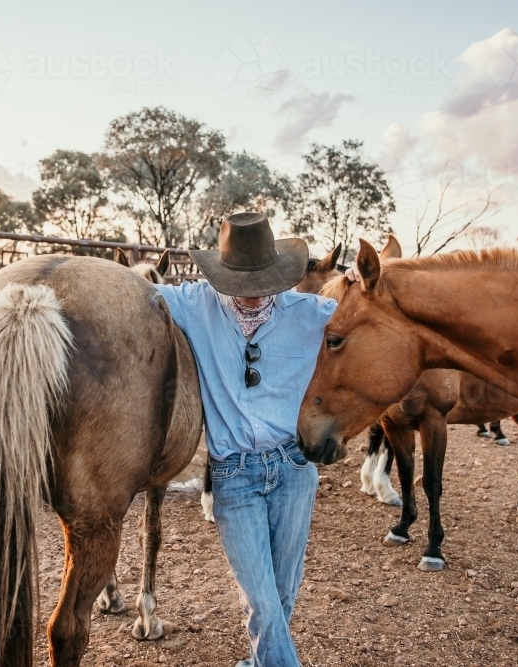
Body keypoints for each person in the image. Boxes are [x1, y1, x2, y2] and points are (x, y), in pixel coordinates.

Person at [154, 212, 336, 667]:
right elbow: (134, 291)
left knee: (281, 594)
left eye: (264, 280)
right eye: (239, 281)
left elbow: (371, 319)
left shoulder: (312, 314)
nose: (253, 293)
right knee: (260, 597)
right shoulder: (195, 304)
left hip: (295, 468)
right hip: (234, 474)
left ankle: (260, 662)